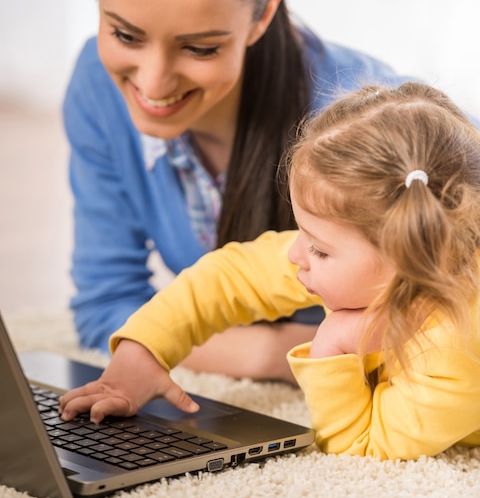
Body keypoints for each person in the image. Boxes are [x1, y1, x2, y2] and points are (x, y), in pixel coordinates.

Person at [63, 0, 411, 380]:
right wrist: (275, 354)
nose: (154, 82)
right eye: (125, 34)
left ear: (263, 14)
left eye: (201, 47)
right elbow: (106, 306)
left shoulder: (370, 120)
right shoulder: (96, 87)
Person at [60, 82, 480, 461]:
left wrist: (333, 342)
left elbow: (363, 446)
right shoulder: (375, 258)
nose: (295, 253)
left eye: (318, 248)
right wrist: (143, 351)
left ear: (408, 263)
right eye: (302, 232)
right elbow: (230, 277)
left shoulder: (454, 350)